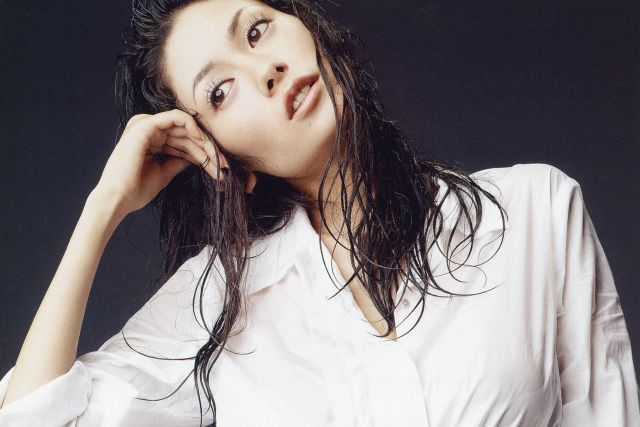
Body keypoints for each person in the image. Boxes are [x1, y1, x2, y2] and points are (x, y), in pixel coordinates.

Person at [1, 0, 638, 425]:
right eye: (220, 91)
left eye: (257, 31)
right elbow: (34, 418)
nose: (265, 69)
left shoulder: (536, 211)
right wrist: (103, 207)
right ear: (218, 151)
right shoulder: (220, 299)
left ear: (305, 25)